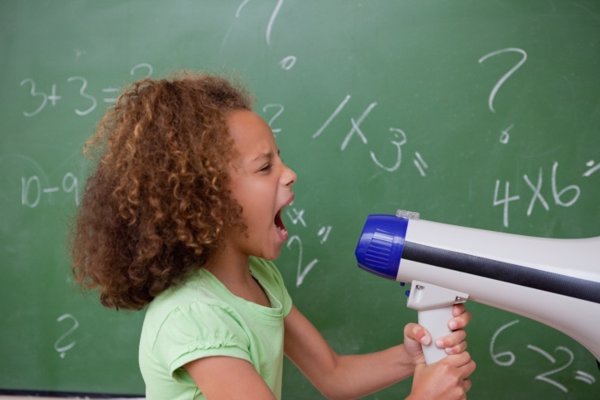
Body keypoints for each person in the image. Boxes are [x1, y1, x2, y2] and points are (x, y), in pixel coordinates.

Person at [71, 72, 476, 400]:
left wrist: (412, 358)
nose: (289, 172)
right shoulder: (193, 318)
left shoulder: (261, 279)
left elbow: (334, 375)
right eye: (265, 167)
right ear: (206, 198)